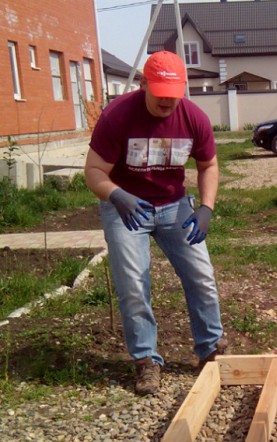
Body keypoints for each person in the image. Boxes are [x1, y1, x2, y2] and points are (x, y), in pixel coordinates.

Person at [85, 50, 225, 395]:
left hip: (174, 205)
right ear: (144, 83)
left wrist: (205, 208)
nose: (167, 102)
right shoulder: (117, 117)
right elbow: (93, 171)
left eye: (173, 95)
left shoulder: (193, 118)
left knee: (201, 275)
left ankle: (210, 349)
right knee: (133, 284)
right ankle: (146, 360)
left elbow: (208, 165)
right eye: (159, 92)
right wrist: (116, 195)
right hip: (126, 207)